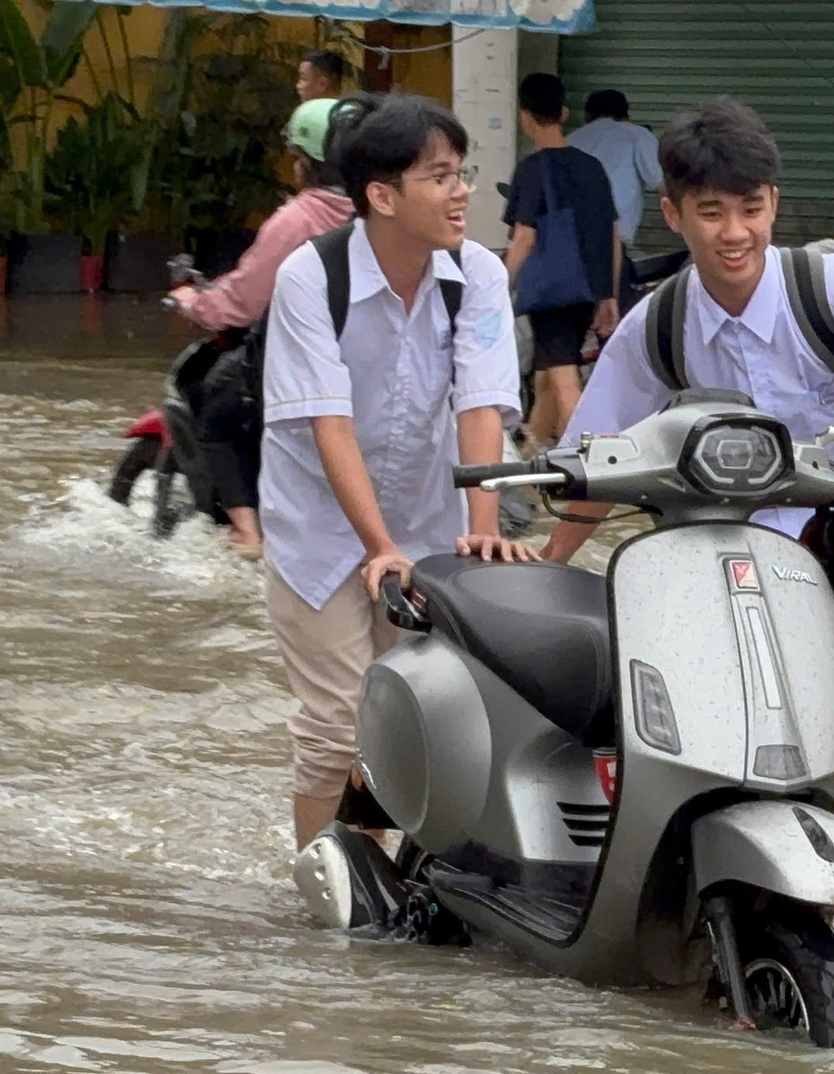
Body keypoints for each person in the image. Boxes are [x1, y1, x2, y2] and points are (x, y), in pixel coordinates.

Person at [540, 98, 834, 856]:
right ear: (672, 214)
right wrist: (545, 567)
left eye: (751, 208)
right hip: (734, 567)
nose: (734, 232)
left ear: (774, 203)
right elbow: (597, 459)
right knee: (729, 741)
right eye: (711, 212)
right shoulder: (657, 325)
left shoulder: (833, 287)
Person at [260, 93, 534, 850]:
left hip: (428, 522)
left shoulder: (476, 273)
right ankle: (327, 888)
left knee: (420, 722)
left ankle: (398, 880)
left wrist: (482, 529)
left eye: (461, 173)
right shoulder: (310, 277)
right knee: (333, 727)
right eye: (438, 177)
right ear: (381, 196)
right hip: (317, 532)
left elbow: (480, 402)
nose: (461, 192)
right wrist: (378, 545)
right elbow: (330, 423)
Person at [167, 98, 358, 558]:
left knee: (218, 410)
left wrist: (195, 303)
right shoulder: (379, 212)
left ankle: (247, 533)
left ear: (306, 161)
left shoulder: (298, 218)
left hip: (295, 360)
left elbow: (245, 298)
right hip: (359, 356)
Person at [501, 73, 620, 455]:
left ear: (525, 117)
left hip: (552, 292)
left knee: (563, 376)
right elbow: (612, 233)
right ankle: (530, 457)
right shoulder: (593, 168)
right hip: (587, 288)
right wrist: (609, 295)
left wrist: (499, 285)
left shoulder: (532, 169)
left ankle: (588, 462)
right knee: (547, 377)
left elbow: (524, 237)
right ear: (564, 113)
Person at [568, 89, 661, 250]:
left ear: (587, 116)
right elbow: (665, 186)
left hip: (570, 239)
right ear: (626, 115)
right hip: (614, 241)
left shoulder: (570, 140)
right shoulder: (638, 136)